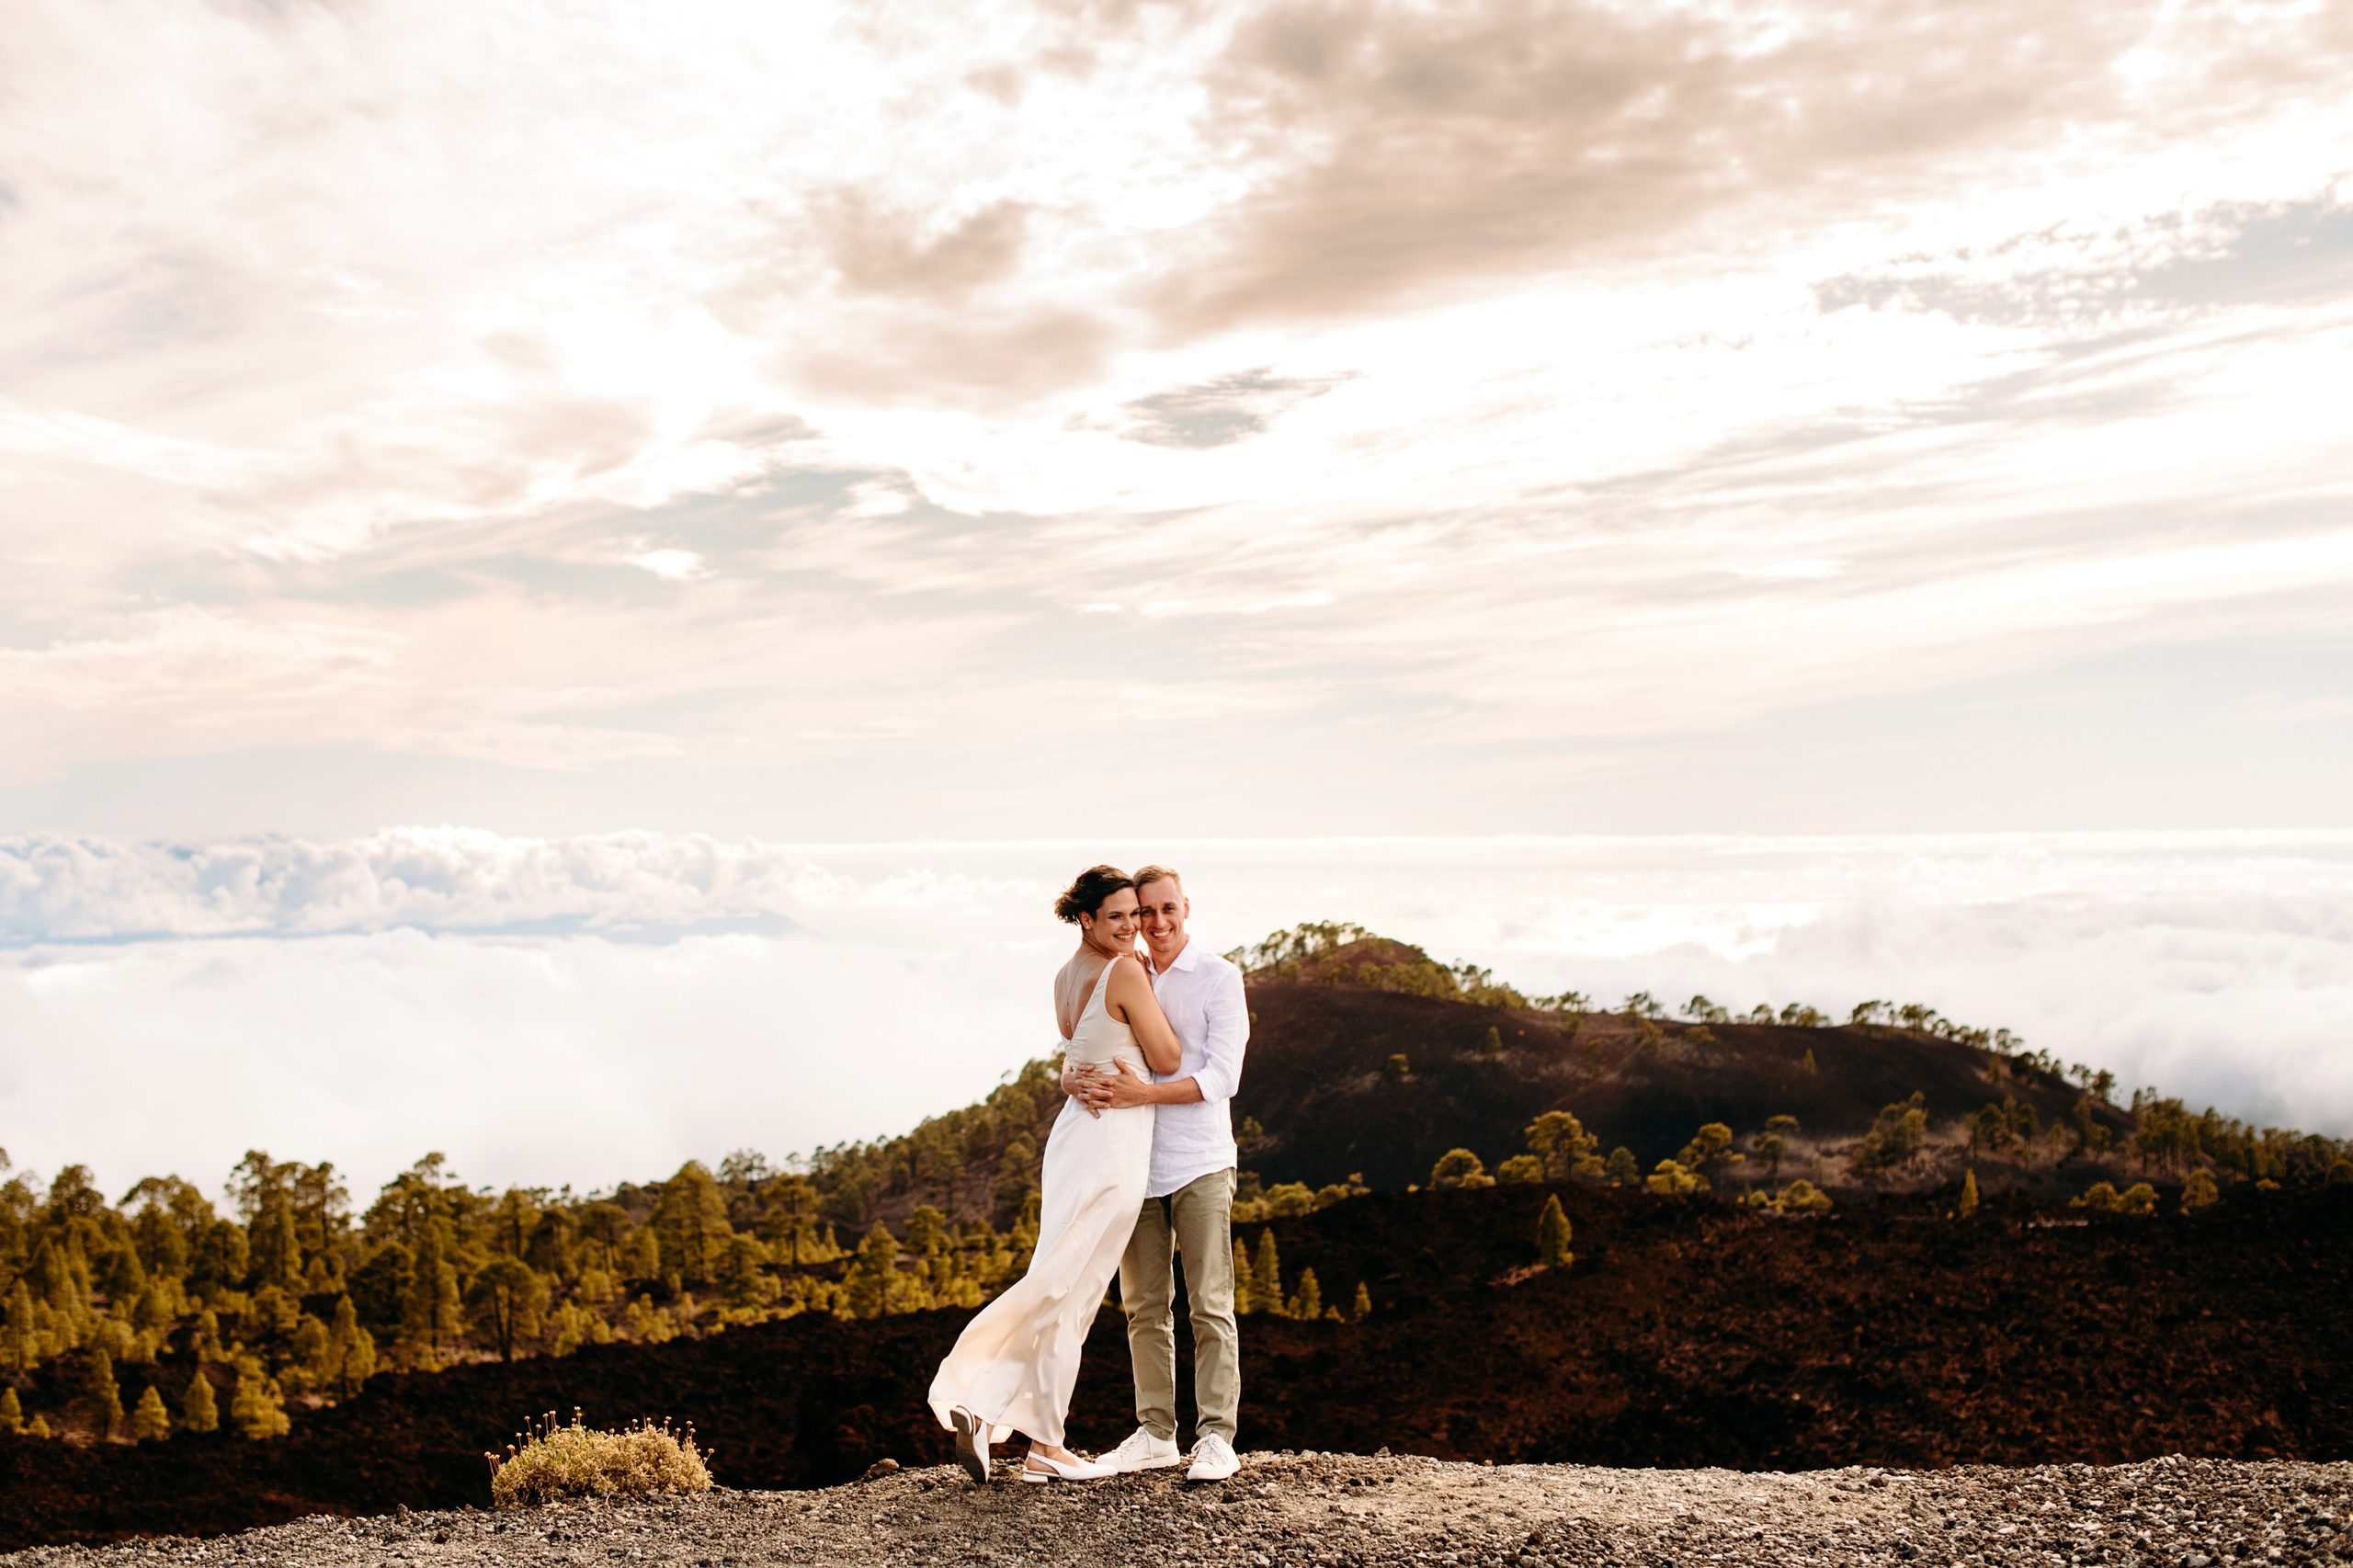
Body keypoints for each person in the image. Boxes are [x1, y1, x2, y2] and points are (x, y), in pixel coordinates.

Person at [928, 865, 1184, 1483]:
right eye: (1116, 916)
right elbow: (1169, 1056)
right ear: (1086, 918)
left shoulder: (1065, 976)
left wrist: (1076, 1075)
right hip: (1113, 1142)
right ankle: (975, 1395)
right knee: (1064, 1286)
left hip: (1073, 1137)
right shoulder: (1125, 970)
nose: (1131, 927)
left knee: (1067, 1286)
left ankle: (1045, 1443)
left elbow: (1080, 1048)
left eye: (1134, 915)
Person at [1065, 863, 1248, 1483]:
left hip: (1198, 1161)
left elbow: (1225, 1078)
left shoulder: (1220, 978)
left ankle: (1217, 1436)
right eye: (1145, 912)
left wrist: (1146, 1095)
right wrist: (1071, 1078)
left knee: (1209, 1304)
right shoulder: (1129, 972)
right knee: (1144, 1306)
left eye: (1167, 909)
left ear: (1186, 908)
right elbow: (1093, 1044)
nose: (1157, 922)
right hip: (1134, 1163)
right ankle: (1156, 1434)